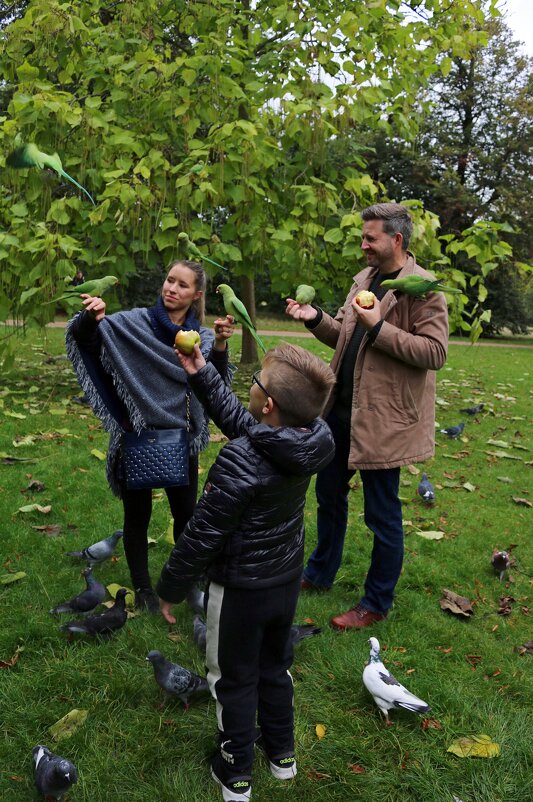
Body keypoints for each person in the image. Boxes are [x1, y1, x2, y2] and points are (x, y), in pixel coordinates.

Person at [156, 342, 335, 802]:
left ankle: (234, 771)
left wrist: (171, 588)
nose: (249, 390)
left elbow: (202, 534)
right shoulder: (309, 439)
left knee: (233, 679)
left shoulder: (239, 460)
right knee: (275, 668)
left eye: (254, 384)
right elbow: (248, 427)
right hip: (283, 583)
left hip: (238, 591)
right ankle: (282, 755)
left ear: (269, 404)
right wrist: (201, 372)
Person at [285, 202, 449, 630]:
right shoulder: (365, 280)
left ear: (396, 239)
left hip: (385, 421)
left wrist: (379, 326)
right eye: (363, 237)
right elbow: (342, 335)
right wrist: (313, 318)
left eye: (370, 238)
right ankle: (320, 573)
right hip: (340, 411)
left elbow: (435, 352)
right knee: (329, 498)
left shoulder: (425, 287)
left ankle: (375, 602)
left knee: (381, 514)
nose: (363, 245)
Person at [66, 260, 234, 613]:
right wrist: (90, 316)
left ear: (197, 295)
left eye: (182, 285)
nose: (172, 288)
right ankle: (143, 588)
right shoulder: (133, 323)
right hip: (136, 434)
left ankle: (186, 582)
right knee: (137, 517)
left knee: (187, 516)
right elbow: (87, 338)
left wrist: (218, 345)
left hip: (181, 439)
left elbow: (214, 384)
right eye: (169, 280)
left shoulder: (200, 337)